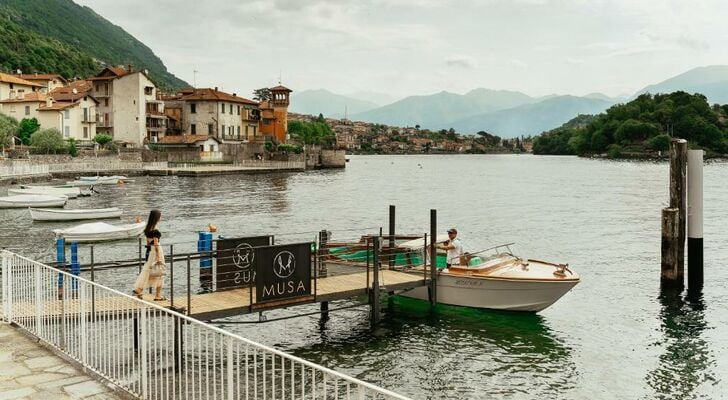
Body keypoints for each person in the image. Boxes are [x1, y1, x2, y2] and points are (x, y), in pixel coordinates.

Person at [133, 209, 167, 301]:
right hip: (157, 251)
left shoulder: (148, 228)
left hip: (150, 251)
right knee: (159, 272)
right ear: (157, 218)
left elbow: (148, 242)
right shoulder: (155, 228)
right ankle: (158, 295)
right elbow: (156, 244)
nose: (161, 218)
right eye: (160, 216)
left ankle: (139, 289)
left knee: (147, 270)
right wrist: (159, 256)